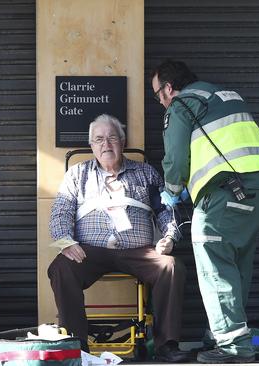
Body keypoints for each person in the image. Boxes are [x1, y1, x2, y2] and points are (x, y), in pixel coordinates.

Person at [150, 60, 259, 363]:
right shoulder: (224, 95)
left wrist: (171, 192)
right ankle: (219, 335)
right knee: (236, 267)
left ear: (169, 88)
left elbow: (176, 157)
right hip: (258, 192)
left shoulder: (182, 104)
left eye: (157, 94)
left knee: (215, 267)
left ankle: (233, 345)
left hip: (225, 194)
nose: (159, 101)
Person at [47, 114, 188, 362]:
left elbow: (165, 209)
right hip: (91, 250)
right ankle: (77, 347)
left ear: (122, 142)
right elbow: (61, 212)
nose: (106, 144)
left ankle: (167, 344)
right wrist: (66, 242)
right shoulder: (77, 175)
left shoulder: (145, 173)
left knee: (171, 266)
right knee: (61, 267)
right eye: (99, 139)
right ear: (91, 145)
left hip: (138, 251)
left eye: (112, 138)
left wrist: (170, 236)